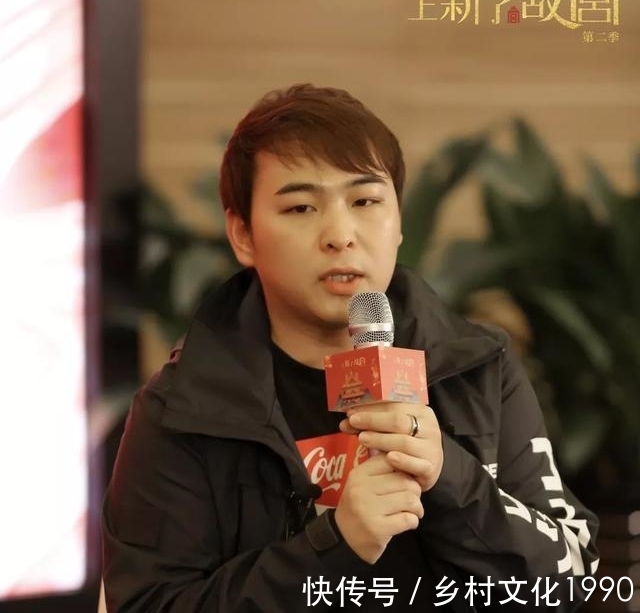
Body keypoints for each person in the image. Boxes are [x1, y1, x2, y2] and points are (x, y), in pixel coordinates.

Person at [101, 84, 599, 612]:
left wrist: (450, 477)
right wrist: (334, 547)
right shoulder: (183, 408)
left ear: (398, 222)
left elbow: (568, 579)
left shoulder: (476, 367)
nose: (340, 234)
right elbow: (147, 604)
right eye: (300, 207)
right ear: (243, 234)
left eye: (365, 201)